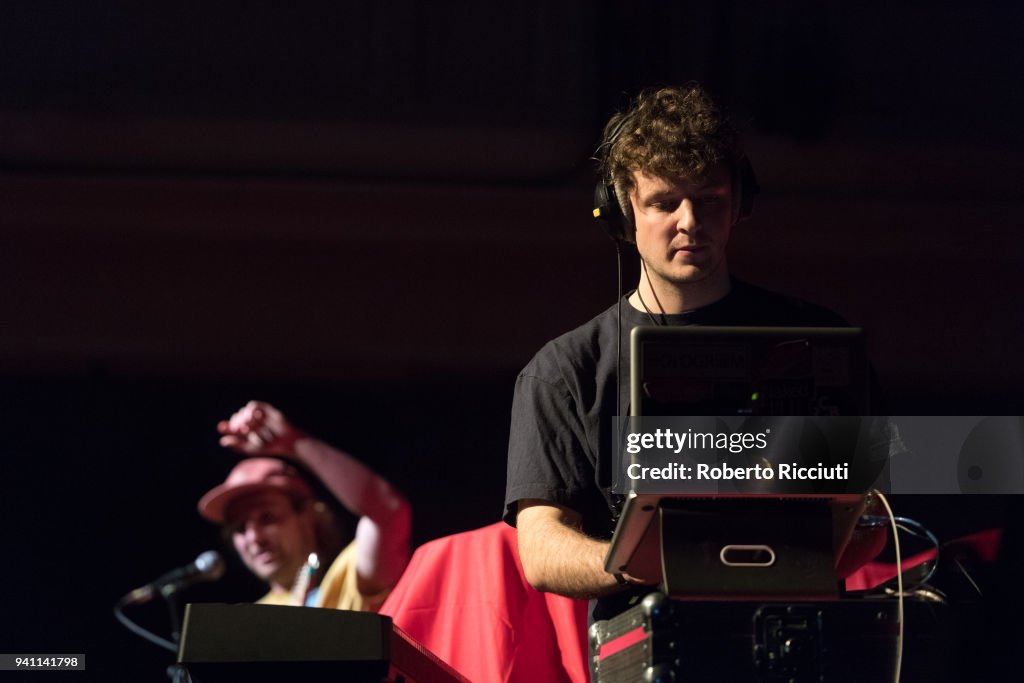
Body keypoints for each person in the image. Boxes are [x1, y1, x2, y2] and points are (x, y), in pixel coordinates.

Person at [504, 84, 892, 618]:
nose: (690, 221)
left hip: (799, 640)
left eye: (709, 201)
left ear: (739, 204)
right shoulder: (566, 371)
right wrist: (658, 564)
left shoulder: (818, 339)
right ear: (622, 216)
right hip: (649, 649)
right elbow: (541, 553)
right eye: (664, 202)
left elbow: (876, 512)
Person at [198, 400, 411, 611]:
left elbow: (388, 512)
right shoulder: (245, 623)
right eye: (240, 528)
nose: (255, 538)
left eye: (267, 518)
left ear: (308, 514)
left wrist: (293, 443)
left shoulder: (348, 577)